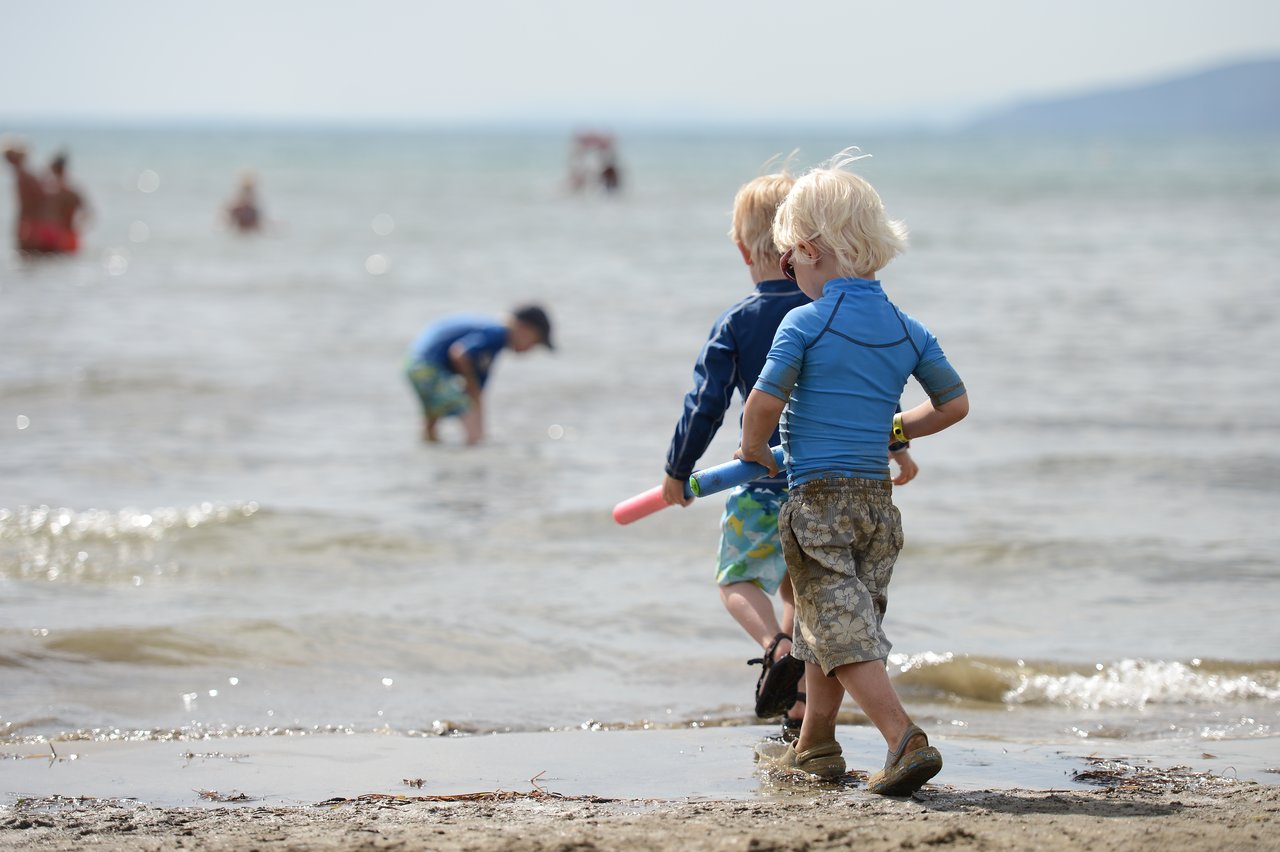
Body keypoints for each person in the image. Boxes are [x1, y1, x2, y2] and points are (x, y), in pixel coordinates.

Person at [660, 171, 919, 741]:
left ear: (740, 246)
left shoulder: (741, 320)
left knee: (736, 577)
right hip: (822, 483)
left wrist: (679, 469)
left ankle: (775, 649)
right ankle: (802, 707)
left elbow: (706, 402)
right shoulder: (838, 313)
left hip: (762, 477)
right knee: (803, 589)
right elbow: (871, 385)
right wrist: (894, 444)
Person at [739, 149, 968, 796]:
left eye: (788, 261)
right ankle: (814, 746)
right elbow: (954, 404)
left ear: (809, 251)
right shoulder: (907, 327)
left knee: (840, 631)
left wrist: (753, 449)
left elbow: (763, 403)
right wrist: (892, 431)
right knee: (827, 626)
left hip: (816, 502)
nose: (789, 275)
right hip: (876, 509)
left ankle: (903, 740)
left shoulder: (805, 322)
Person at [405, 305, 554, 444]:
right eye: (535, 342)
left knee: (434, 411)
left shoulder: (492, 339)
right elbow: (459, 353)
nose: (531, 348)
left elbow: (478, 392)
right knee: (466, 408)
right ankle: (474, 449)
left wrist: (474, 391)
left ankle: (430, 445)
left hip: (413, 363)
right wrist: (471, 386)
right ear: (523, 328)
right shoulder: (498, 333)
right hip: (427, 367)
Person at [3, 136, 47, 254]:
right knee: (30, 255)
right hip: (31, 219)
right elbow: (41, 196)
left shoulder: (22, 176)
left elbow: (37, 197)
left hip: (28, 220)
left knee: (27, 254)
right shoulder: (26, 175)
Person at [43, 152, 88, 254]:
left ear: (53, 169)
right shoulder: (73, 192)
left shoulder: (50, 190)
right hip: (69, 233)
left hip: (52, 234)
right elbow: (86, 213)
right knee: (68, 265)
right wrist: (79, 226)